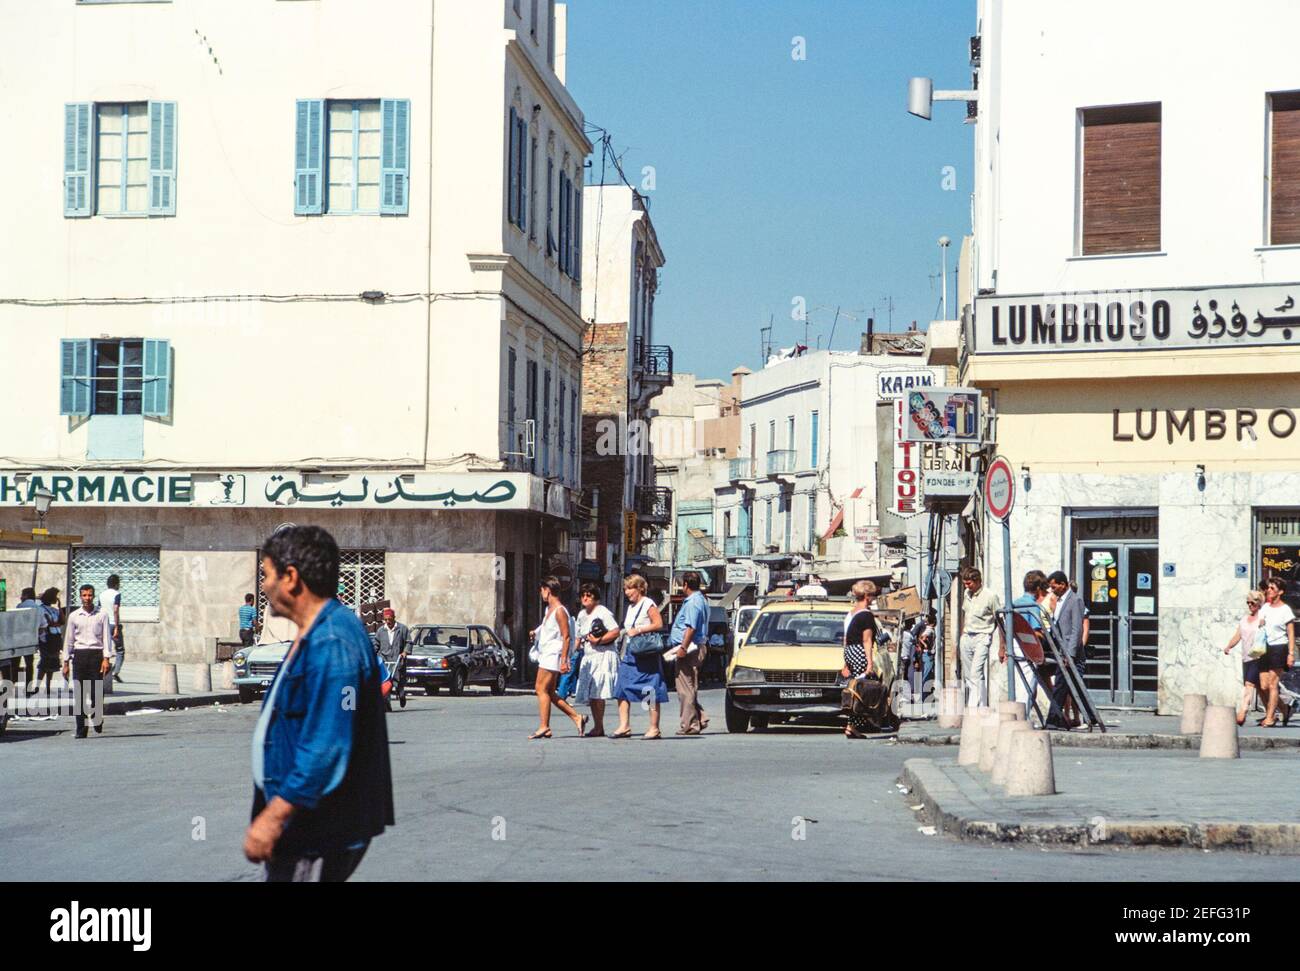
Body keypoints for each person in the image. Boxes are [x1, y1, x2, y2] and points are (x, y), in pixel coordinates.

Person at [243, 525, 394, 882]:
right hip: (308, 826)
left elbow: (327, 744)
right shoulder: (320, 631)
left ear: (291, 578)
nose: (263, 586)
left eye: (266, 575)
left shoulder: (332, 641)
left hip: (316, 831)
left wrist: (273, 816)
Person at [528, 577, 586, 739]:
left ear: (548, 590)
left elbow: (566, 636)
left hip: (553, 655)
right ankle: (577, 717)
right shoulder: (549, 610)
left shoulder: (560, 611)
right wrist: (536, 632)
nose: (541, 594)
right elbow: (547, 628)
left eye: (542, 591)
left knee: (540, 689)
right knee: (550, 693)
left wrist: (564, 660)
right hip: (547, 653)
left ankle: (544, 726)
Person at [612, 574, 668, 739]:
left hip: (645, 652)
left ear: (639, 589)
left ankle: (654, 727)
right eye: (626, 589)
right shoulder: (630, 608)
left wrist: (639, 630)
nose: (627, 592)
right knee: (621, 686)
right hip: (630, 652)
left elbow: (658, 624)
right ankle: (624, 726)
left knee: (649, 688)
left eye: (630, 588)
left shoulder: (648, 603)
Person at [61, 584, 114, 739]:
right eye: (84, 595)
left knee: (96, 692)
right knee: (79, 694)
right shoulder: (74, 616)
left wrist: (106, 658)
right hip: (79, 656)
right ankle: (80, 729)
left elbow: (106, 637)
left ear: (93, 596)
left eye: (89, 595)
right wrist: (65, 662)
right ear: (80, 596)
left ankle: (97, 720)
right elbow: (69, 640)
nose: (87, 598)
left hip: (96, 656)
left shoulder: (102, 614)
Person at [573, 584, 621, 736]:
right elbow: (578, 637)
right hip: (589, 656)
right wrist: (569, 655)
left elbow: (615, 631)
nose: (585, 598)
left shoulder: (603, 612)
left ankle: (599, 726)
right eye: (583, 595)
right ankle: (597, 726)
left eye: (589, 595)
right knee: (592, 693)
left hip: (603, 654)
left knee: (598, 691)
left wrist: (598, 641)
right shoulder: (581, 615)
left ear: (595, 598)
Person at [666, 571, 710, 736]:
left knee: (685, 687)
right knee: (689, 686)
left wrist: (683, 648)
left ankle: (690, 724)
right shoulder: (700, 600)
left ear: (685, 585)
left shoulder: (693, 602)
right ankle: (700, 717)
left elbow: (691, 627)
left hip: (690, 647)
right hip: (693, 646)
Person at [1006, 570, 1050, 719]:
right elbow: (1036, 631)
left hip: (1014, 644)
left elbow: (1006, 627)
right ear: (1038, 589)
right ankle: (1022, 718)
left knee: (1019, 683)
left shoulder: (1014, 603)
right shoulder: (1033, 606)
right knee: (1028, 685)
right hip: (1028, 646)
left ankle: (1018, 716)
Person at [958, 567, 1003, 709]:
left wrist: (1002, 646)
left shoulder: (990, 596)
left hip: (982, 636)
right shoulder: (967, 594)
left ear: (978, 581)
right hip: (967, 636)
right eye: (965, 584)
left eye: (969, 583)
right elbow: (965, 614)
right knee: (969, 675)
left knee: (975, 673)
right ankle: (982, 707)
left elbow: (999, 620)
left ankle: (972, 709)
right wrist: (962, 635)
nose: (967, 586)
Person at [841, 580, 880, 738]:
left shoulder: (851, 613)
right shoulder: (866, 615)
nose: (874, 598)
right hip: (859, 652)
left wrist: (845, 662)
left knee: (855, 689)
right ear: (866, 596)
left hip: (849, 651)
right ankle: (853, 726)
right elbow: (867, 640)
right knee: (862, 691)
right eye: (872, 595)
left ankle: (852, 725)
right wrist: (869, 663)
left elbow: (845, 638)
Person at [1046, 571, 1085, 730]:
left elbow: (1077, 629)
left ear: (1063, 584)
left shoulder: (1075, 600)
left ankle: (1052, 719)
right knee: (1072, 686)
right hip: (1061, 650)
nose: (1052, 590)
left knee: (1060, 686)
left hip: (1070, 651)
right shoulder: (1059, 601)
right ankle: (1090, 716)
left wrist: (1071, 654)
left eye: (1054, 586)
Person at [1256, 578, 1296, 728]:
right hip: (1264, 648)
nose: (1269, 591)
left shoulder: (1285, 610)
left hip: (1280, 647)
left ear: (1280, 592)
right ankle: (1285, 708)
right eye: (1268, 588)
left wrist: (1290, 654)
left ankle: (1270, 717)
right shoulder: (1265, 607)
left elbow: (1291, 633)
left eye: (1272, 588)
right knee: (1264, 685)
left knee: (1273, 684)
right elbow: (1259, 625)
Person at [1223, 590, 1265, 727]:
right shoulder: (1244, 620)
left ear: (1258, 603)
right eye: (1248, 603)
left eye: (1252, 602)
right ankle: (1283, 709)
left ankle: (1243, 712)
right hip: (1246, 657)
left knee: (1249, 685)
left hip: (1259, 656)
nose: (1249, 605)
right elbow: (1238, 635)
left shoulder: (1262, 618)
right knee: (1260, 688)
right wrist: (1229, 645)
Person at [374, 608, 408, 711]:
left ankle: (401, 693)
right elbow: (376, 644)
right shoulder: (380, 631)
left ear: (394, 618)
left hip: (397, 658)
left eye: (390, 619)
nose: (388, 622)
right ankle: (387, 704)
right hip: (384, 659)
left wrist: (405, 652)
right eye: (386, 620)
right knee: (386, 682)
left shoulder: (402, 629)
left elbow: (408, 642)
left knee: (398, 680)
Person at [37, 588, 64, 695]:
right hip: (46, 639)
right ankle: (37, 686)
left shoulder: (54, 610)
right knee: (44, 662)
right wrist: (55, 623)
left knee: (52, 664)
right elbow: (48, 623)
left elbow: (62, 621)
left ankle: (48, 686)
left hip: (55, 638)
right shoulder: (41, 609)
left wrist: (60, 606)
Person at [15, 587, 42, 692]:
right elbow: (42, 625)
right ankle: (28, 687)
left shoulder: (20, 606)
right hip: (31, 640)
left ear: (26, 595)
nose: (21, 597)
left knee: (15, 664)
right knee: (29, 664)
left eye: (22, 594)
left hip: (17, 640)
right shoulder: (38, 608)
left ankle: (10, 685)